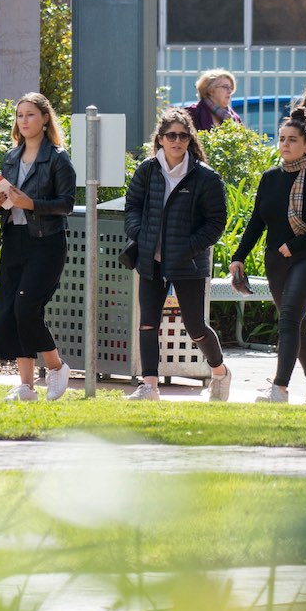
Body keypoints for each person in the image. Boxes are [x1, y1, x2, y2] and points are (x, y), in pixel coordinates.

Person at [229, 107, 306, 404]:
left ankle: (279, 389)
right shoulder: (270, 178)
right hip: (276, 261)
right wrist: (239, 256)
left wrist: (297, 244)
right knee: (296, 323)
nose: (285, 144)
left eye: (292, 139)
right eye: (282, 139)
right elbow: (257, 221)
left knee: (290, 317)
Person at [123, 108, 232, 401]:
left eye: (183, 136)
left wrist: (188, 247)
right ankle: (150, 386)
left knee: (195, 327)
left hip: (188, 262)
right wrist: (140, 233)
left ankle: (220, 371)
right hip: (151, 259)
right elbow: (132, 207)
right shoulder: (147, 170)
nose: (177, 141)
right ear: (160, 139)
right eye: (171, 135)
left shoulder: (205, 177)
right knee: (148, 323)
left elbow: (216, 222)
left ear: (190, 140)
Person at [0, 92, 76, 402]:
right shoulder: (11, 157)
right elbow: (5, 203)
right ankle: (25, 386)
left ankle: (56, 367)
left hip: (46, 242)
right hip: (14, 239)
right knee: (11, 310)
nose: (24, 120)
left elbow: (66, 204)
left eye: (30, 114)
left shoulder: (58, 158)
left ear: (45, 119)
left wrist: (32, 204)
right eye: (20, 115)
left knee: (26, 308)